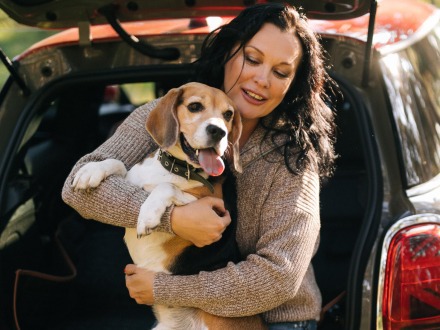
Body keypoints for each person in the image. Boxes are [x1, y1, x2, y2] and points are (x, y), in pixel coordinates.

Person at [62, 3, 337, 329]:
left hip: (278, 322)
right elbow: (77, 190)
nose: (262, 79)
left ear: (292, 86)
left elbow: (279, 278)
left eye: (280, 72)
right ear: (227, 54)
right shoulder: (172, 111)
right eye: (252, 59)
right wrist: (174, 219)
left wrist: (164, 289)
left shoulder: (293, 161)